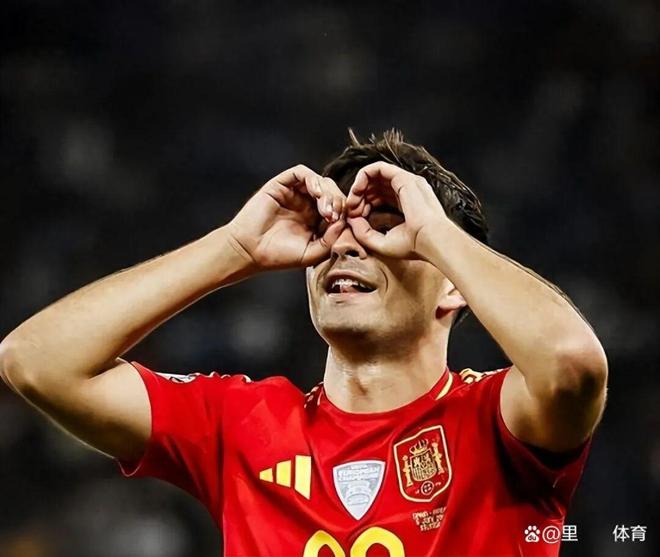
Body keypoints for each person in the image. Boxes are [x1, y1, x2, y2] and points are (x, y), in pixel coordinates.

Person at [0, 130, 608, 556]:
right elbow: (36, 361)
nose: (343, 244)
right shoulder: (241, 425)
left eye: (385, 231)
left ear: (452, 287)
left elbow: (572, 363)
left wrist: (435, 233)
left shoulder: (497, 422)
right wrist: (232, 250)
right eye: (329, 229)